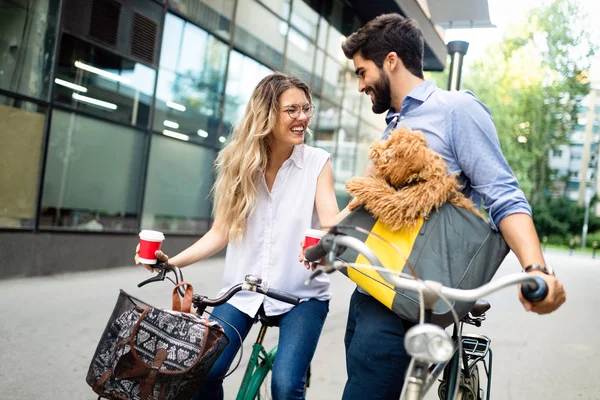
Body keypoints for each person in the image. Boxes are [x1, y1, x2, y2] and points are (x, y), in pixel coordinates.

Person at [336, 13, 567, 399]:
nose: (361, 85)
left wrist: (537, 270)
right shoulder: (394, 122)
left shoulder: (456, 109)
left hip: (414, 296)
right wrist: (326, 240)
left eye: (362, 73)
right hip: (372, 286)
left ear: (390, 61)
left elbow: (503, 195)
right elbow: (373, 202)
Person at [135, 73, 340, 400]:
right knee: (203, 371)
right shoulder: (239, 163)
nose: (303, 118)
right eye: (292, 110)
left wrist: (328, 242)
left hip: (302, 296)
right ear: (267, 114)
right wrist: (169, 262)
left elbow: (330, 221)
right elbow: (221, 231)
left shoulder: (317, 163)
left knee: (286, 387)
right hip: (243, 291)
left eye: (307, 109)